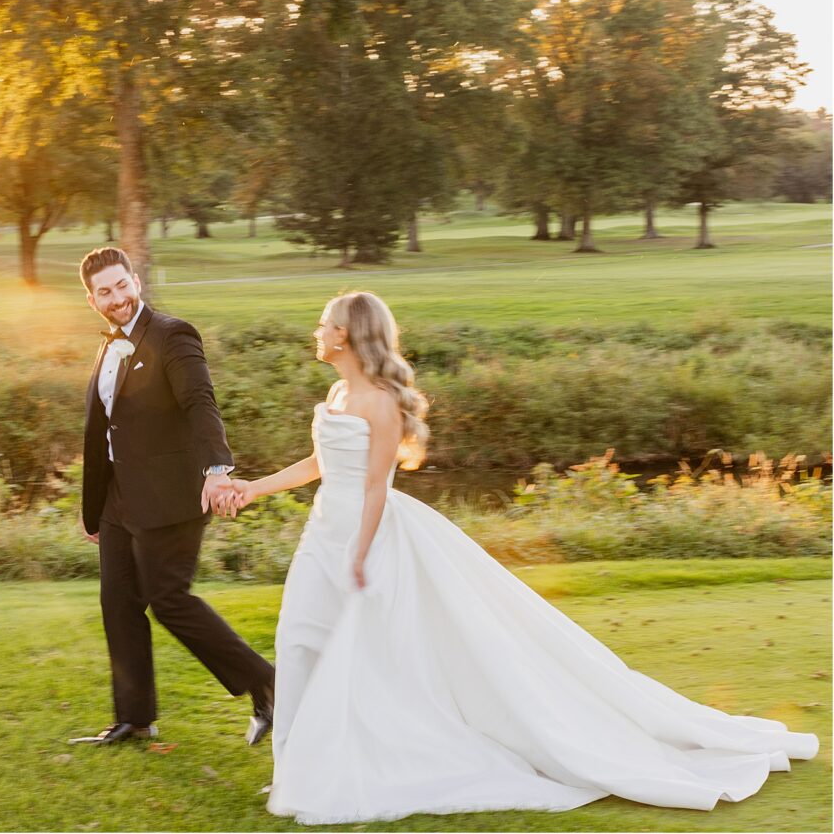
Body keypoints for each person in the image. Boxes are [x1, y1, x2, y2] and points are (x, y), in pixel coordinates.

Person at [217, 288, 818, 823]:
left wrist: (361, 554)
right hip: (324, 532)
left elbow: (377, 486)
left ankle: (344, 766)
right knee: (300, 642)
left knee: (363, 658)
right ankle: (301, 768)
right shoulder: (338, 390)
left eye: (324, 324)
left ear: (345, 333)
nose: (316, 332)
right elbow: (321, 464)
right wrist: (252, 487)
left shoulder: (378, 401)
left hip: (361, 537)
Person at [74, 245, 276, 750]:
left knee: (169, 600)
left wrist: (216, 469)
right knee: (118, 603)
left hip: (171, 494)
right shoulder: (108, 344)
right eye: (105, 291)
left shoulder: (172, 334)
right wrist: (96, 505)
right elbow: (104, 429)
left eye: (123, 285)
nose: (117, 297)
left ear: (136, 281)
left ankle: (269, 685)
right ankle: (135, 718)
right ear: (91, 299)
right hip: (119, 498)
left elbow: (198, 401)